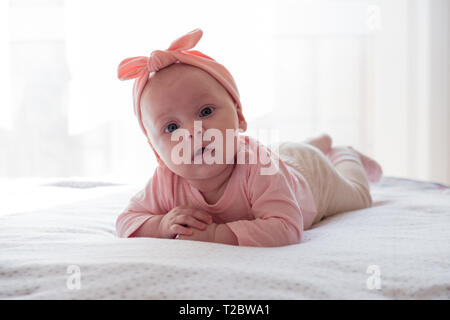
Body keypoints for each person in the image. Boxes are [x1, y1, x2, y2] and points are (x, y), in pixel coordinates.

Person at [115, 29, 382, 247]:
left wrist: (216, 235)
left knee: (360, 197)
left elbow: (287, 227)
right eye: (172, 128)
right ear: (156, 151)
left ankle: (343, 154)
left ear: (239, 116)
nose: (192, 132)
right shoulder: (166, 180)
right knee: (282, 154)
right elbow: (126, 220)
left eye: (206, 111)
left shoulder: (258, 168)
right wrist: (160, 225)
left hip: (312, 177)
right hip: (281, 156)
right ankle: (312, 143)